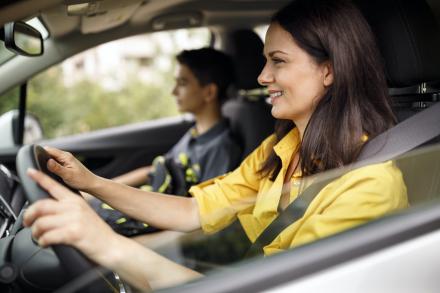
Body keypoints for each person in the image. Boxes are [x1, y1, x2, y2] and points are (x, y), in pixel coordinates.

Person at [23, 0, 408, 291]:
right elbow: (194, 211)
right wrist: (91, 183)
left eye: (278, 62)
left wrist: (108, 246)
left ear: (329, 69)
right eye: (264, 61)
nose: (261, 76)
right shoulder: (281, 149)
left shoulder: (369, 185)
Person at [90, 48, 242, 236]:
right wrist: (95, 188)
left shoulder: (221, 149)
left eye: (183, 83)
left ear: (209, 92)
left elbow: (204, 219)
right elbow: (153, 172)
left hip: (165, 229)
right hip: (151, 209)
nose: (173, 91)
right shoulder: (194, 135)